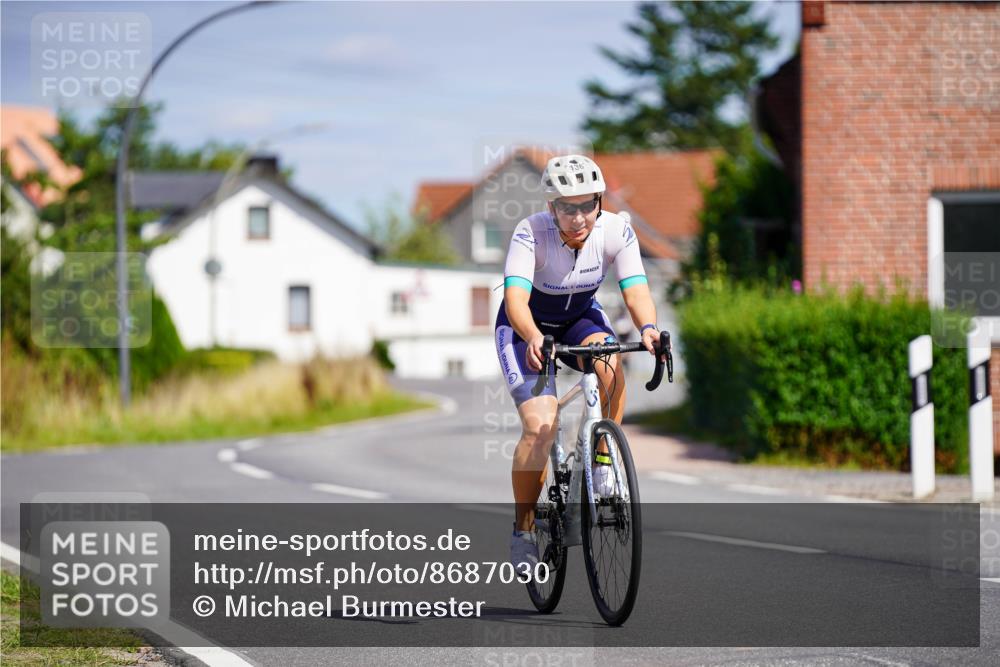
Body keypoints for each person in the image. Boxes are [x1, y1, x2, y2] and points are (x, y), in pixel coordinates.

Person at [494, 155, 662, 569]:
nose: (579, 217)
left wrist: (649, 328)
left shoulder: (616, 230)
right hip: (526, 327)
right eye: (567, 207)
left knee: (610, 364)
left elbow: (635, 290)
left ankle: (603, 460)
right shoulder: (530, 233)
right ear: (551, 207)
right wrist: (534, 336)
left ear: (599, 201)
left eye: (588, 204)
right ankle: (523, 531)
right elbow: (515, 300)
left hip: (579, 318)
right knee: (540, 428)